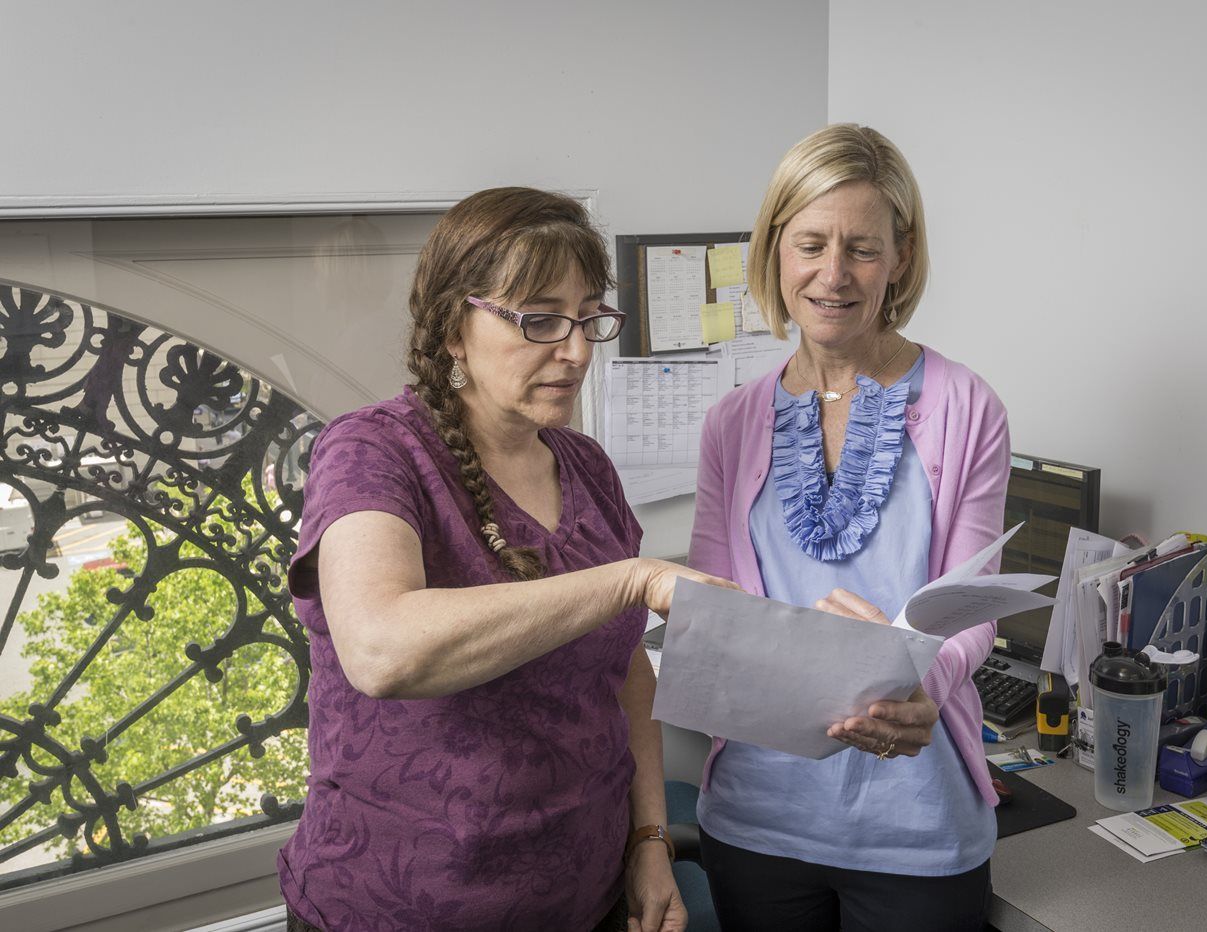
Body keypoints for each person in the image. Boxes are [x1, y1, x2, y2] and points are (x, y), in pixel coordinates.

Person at [278, 187, 733, 932]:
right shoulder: (373, 452)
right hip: (396, 910)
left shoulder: (586, 468)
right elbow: (381, 650)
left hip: (583, 899)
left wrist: (649, 839)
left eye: (588, 318)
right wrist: (628, 579)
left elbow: (626, 673)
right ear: (455, 328)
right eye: (541, 319)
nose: (578, 350)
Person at [688, 125, 1011, 931]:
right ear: (775, 252)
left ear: (900, 257)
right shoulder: (732, 422)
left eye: (862, 248)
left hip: (918, 827)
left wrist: (919, 687)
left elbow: (971, 614)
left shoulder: (968, 407)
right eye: (810, 244)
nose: (833, 275)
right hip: (757, 821)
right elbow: (711, 599)